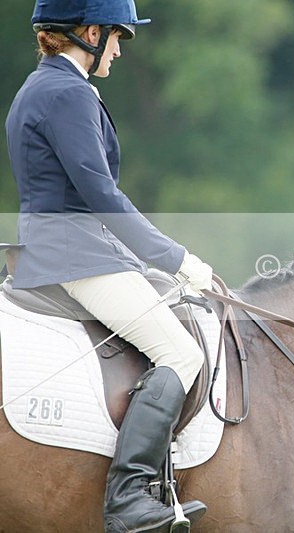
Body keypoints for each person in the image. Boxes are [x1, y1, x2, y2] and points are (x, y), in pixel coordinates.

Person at [5, 1, 211, 531]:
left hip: (66, 247)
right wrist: (176, 257)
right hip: (78, 256)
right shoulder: (67, 92)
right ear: (90, 32)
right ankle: (129, 498)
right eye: (117, 37)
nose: (119, 50)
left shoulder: (42, 87)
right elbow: (101, 195)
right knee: (180, 352)